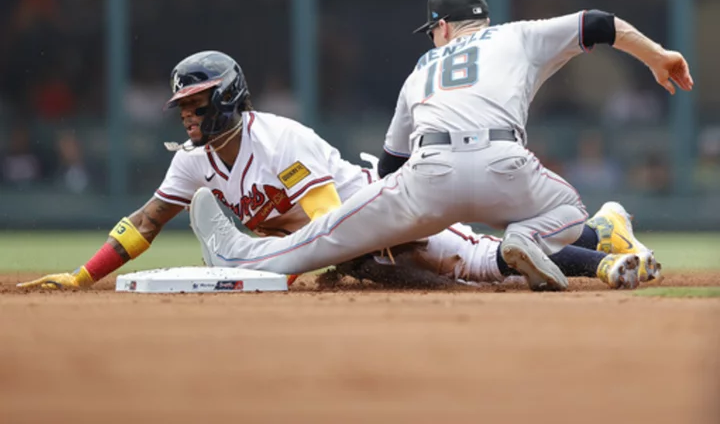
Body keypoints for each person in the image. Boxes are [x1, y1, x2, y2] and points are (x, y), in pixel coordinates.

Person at [182, 0, 688, 291]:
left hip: (430, 176)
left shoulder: (422, 67)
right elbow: (597, 23)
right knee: (572, 212)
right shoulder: (518, 35)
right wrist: (657, 56)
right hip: (507, 169)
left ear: (443, 27)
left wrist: (395, 225)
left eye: (432, 30)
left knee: (321, 238)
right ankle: (523, 238)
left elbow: (389, 166)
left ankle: (238, 256)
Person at [17, 51, 658, 291]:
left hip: (384, 208)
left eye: (196, 102)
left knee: (474, 261)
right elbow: (146, 222)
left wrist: (305, 261)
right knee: (483, 264)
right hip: (345, 238)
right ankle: (605, 245)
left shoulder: (279, 139)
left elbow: (333, 221)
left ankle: (602, 238)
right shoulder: (193, 162)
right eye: (182, 104)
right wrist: (81, 276)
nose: (186, 114)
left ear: (227, 99)